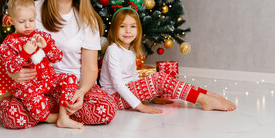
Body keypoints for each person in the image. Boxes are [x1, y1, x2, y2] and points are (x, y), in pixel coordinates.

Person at [0, 0, 117, 129]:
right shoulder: (32, 10)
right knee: (12, 116)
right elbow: (14, 48)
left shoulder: (88, 20)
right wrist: (14, 74)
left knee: (106, 108)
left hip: (71, 86)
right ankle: (38, 110)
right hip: (38, 87)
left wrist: (80, 92)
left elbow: (90, 68)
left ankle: (45, 113)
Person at [99, 7, 237, 114]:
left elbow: (134, 78)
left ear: (138, 30)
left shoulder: (131, 50)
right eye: (122, 26)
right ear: (114, 29)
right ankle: (204, 100)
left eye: (132, 26)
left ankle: (207, 94)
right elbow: (118, 84)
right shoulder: (113, 50)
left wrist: (151, 97)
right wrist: (140, 106)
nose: (128, 31)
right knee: (159, 79)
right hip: (113, 98)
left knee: (161, 81)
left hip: (126, 94)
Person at [0, 0, 83, 129]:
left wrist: (47, 46)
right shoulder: (9, 44)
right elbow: (11, 68)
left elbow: (57, 57)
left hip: (49, 80)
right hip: (28, 87)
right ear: (11, 20)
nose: (27, 25)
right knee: (35, 102)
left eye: (31, 20)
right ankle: (49, 118)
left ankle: (63, 117)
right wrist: (24, 52)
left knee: (70, 79)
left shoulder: (41, 36)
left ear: (35, 17)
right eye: (22, 22)